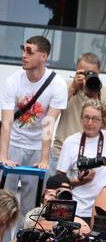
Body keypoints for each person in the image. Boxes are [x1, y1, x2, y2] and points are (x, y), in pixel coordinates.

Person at [1, 36, 67, 221]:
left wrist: (45, 158)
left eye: (30, 51)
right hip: (13, 143)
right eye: (23, 50)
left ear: (43, 56)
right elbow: (6, 121)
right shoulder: (13, 81)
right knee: (4, 204)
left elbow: (49, 122)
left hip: (38, 147)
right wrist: (4, 156)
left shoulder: (57, 84)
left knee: (31, 209)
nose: (24, 55)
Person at [56, 101, 106, 223]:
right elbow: (58, 179)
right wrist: (79, 181)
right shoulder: (71, 142)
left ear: (102, 121)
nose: (90, 123)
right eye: (87, 118)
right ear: (81, 118)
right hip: (79, 210)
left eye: (95, 119)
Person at [51, 53, 106, 162]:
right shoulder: (65, 87)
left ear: (99, 72)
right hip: (62, 152)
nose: (88, 77)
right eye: (84, 73)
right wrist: (73, 88)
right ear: (76, 70)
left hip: (92, 155)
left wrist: (95, 95)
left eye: (92, 74)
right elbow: (52, 112)